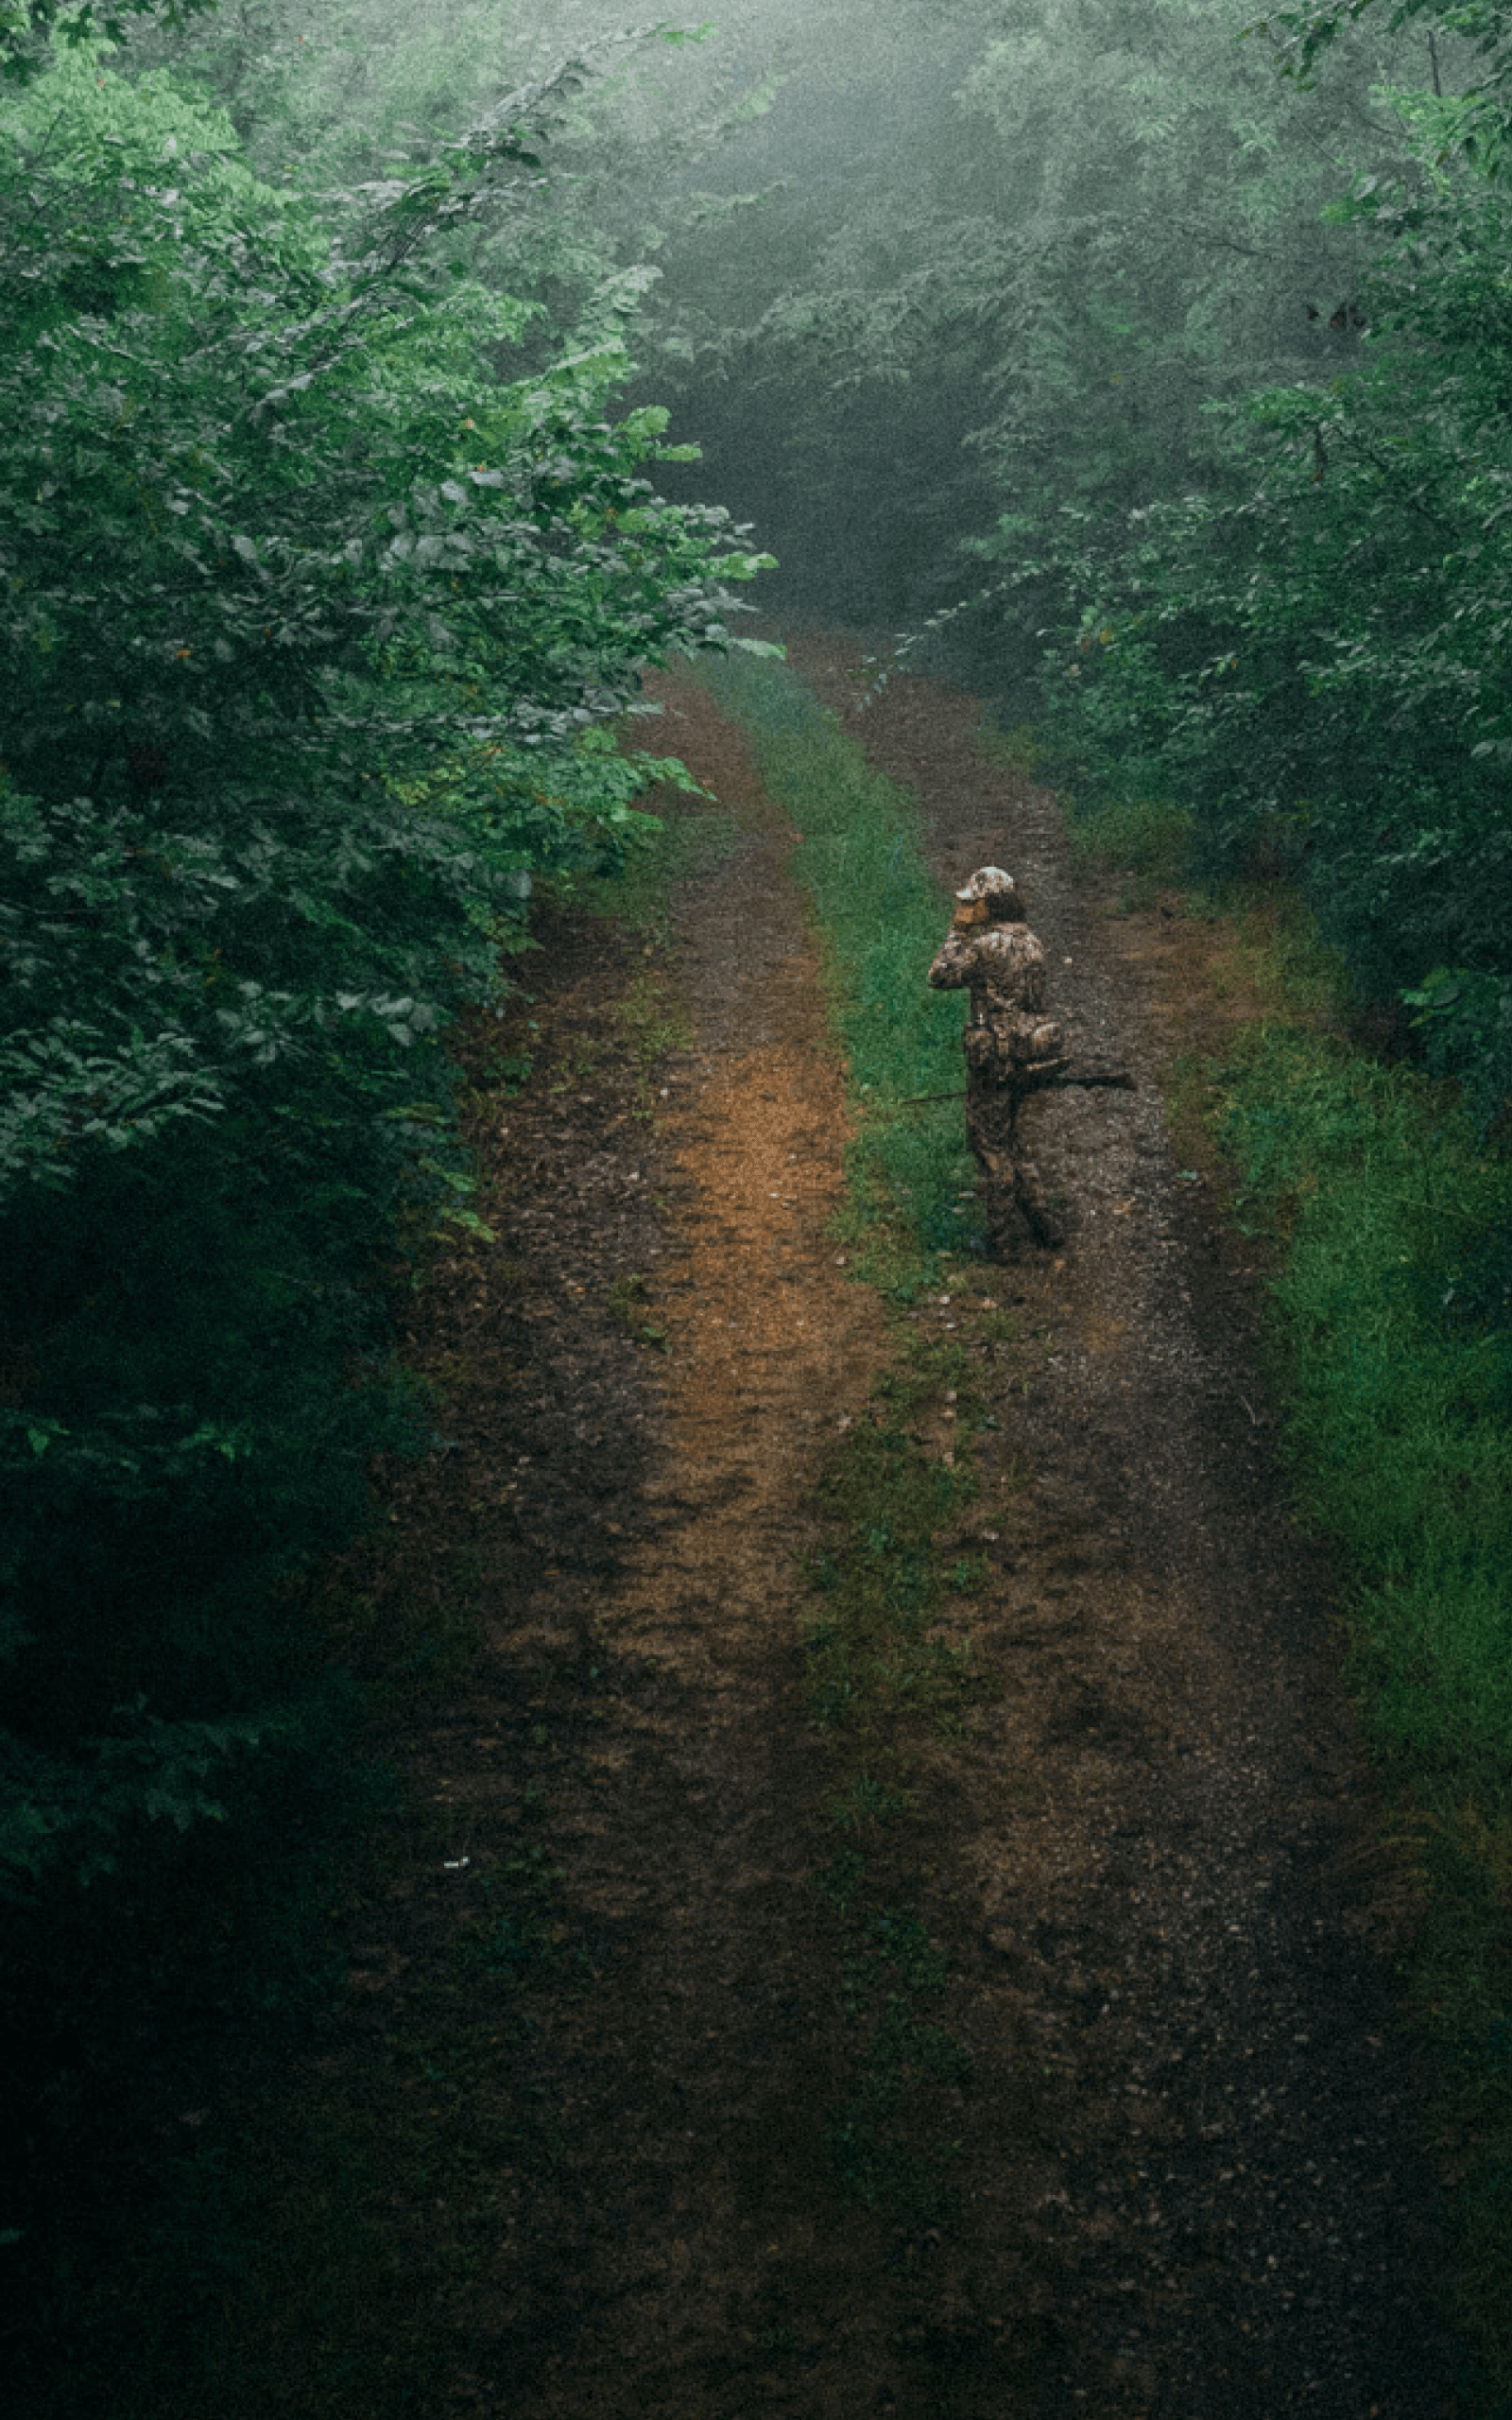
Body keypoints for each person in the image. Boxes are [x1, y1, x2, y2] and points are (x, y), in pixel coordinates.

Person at [927, 868, 1069, 1253]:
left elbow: (939, 975)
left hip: (994, 1058)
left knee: (989, 1145)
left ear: (989, 904)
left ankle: (1002, 1241)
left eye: (971, 902)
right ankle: (1047, 1226)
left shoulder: (987, 946)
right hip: (1029, 1054)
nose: (964, 907)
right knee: (1013, 1141)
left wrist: (958, 931)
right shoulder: (1032, 942)